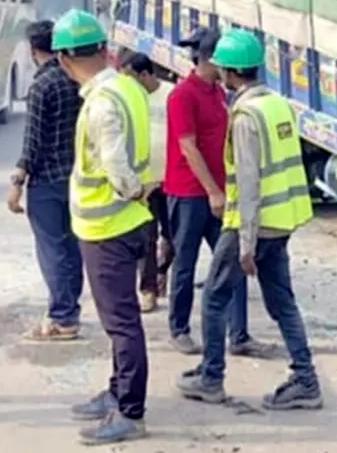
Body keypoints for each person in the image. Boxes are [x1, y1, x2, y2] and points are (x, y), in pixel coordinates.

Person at [176, 28, 322, 411]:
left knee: (213, 297)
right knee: (282, 301)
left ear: (229, 73)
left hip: (251, 225)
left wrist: (245, 245)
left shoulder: (244, 116)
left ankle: (211, 378)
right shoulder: (279, 105)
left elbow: (249, 182)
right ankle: (306, 380)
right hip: (281, 221)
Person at [53, 9, 155, 445]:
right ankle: (116, 393)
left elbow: (115, 160)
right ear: (105, 50)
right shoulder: (127, 87)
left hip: (108, 227)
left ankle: (130, 411)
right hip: (128, 224)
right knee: (122, 320)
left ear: (62, 60)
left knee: (121, 323)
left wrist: (130, 189)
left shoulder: (100, 103)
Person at [164, 27, 268, 358]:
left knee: (232, 261)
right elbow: (188, 147)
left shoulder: (220, 94)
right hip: (190, 192)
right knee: (185, 262)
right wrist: (212, 191)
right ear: (208, 60)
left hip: (221, 192)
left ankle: (239, 335)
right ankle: (179, 329)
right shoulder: (182, 95)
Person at [7, 20, 84, 341]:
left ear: (32, 49)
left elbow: (33, 140)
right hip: (77, 177)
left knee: (51, 249)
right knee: (72, 245)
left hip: (48, 182)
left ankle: (62, 318)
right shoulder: (75, 80)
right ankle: (71, 308)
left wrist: (17, 180)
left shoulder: (42, 86)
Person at [119, 52, 173, 313]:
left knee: (173, 236)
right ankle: (148, 288)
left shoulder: (171, 95)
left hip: (173, 180)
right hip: (144, 182)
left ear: (145, 75)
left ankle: (163, 270)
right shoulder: (127, 100)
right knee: (147, 237)